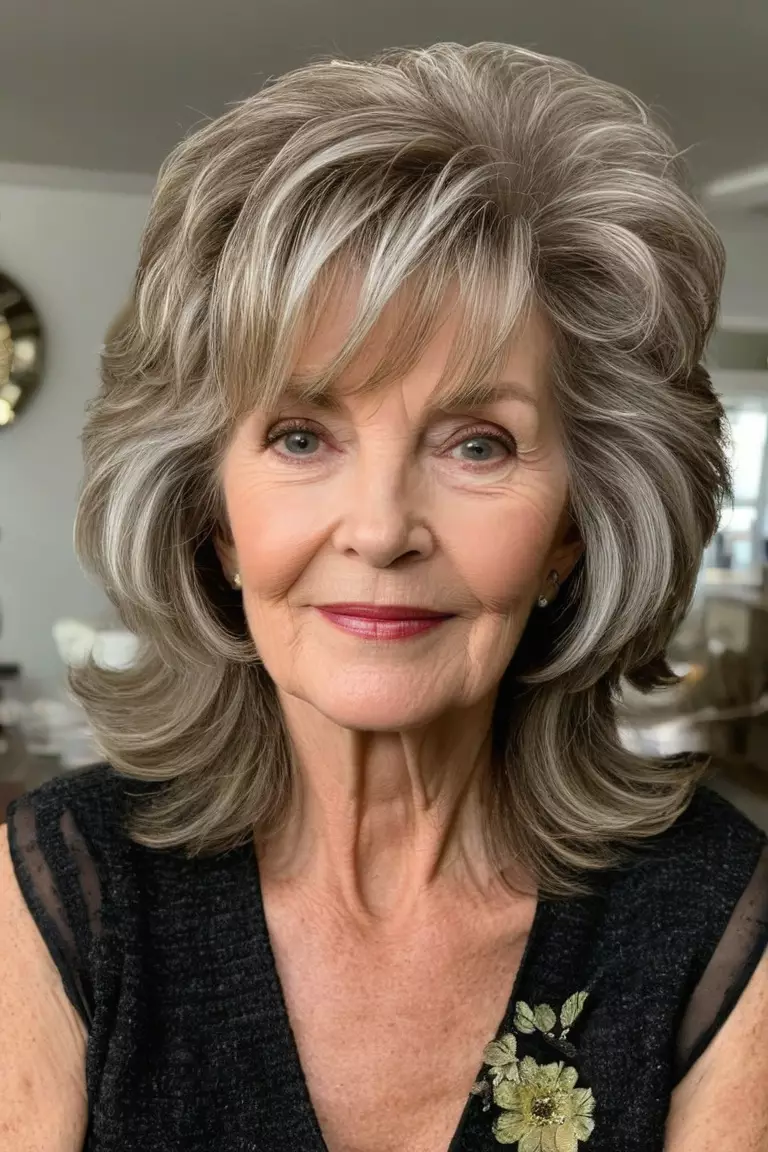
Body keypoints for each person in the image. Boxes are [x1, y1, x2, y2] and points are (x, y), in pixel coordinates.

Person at [1, 41, 766, 1152]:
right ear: (214, 516)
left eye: (478, 443)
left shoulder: (711, 918)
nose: (380, 529)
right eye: (301, 435)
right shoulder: (68, 891)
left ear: (572, 532)